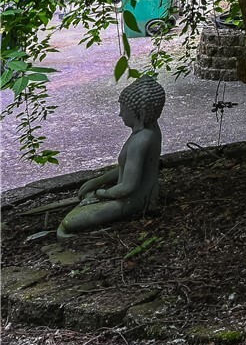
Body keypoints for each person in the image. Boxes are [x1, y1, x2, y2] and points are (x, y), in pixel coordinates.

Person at [58, 74, 166, 239]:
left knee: (70, 222)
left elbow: (127, 187)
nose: (120, 114)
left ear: (141, 113)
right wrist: (98, 181)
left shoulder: (143, 139)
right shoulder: (150, 131)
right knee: (81, 203)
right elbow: (129, 168)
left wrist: (99, 194)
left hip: (134, 201)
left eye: (123, 109)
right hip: (126, 195)